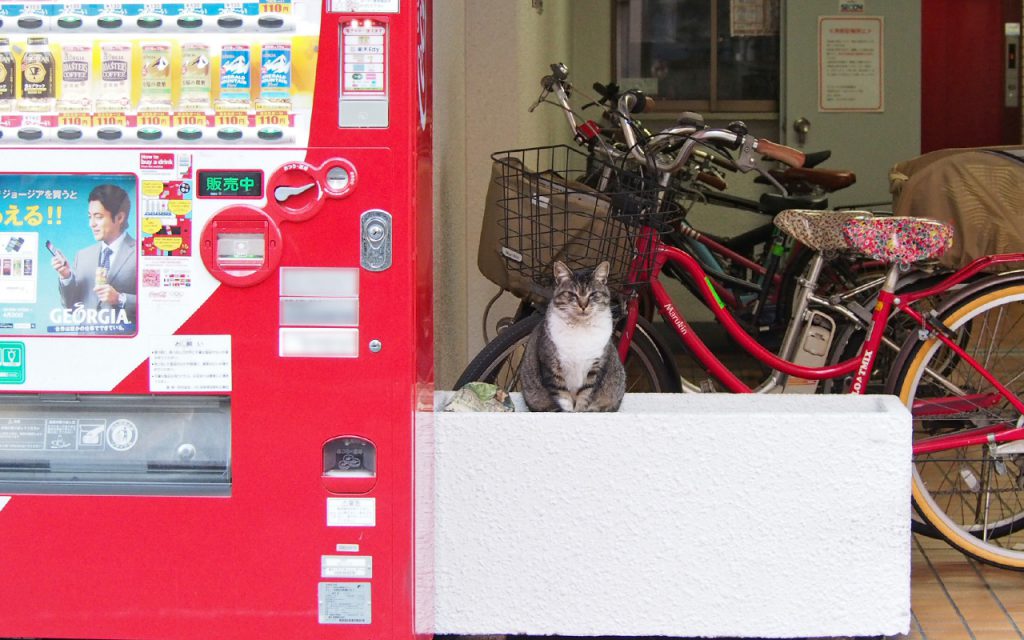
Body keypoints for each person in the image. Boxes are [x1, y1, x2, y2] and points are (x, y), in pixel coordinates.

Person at [51, 184, 137, 324]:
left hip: (124, 341)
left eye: (98, 217)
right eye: (90, 217)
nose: (92, 224)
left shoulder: (141, 254)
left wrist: (120, 299)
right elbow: (70, 306)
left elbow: (156, 301)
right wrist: (66, 276)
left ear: (120, 217)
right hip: (85, 341)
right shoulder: (83, 256)